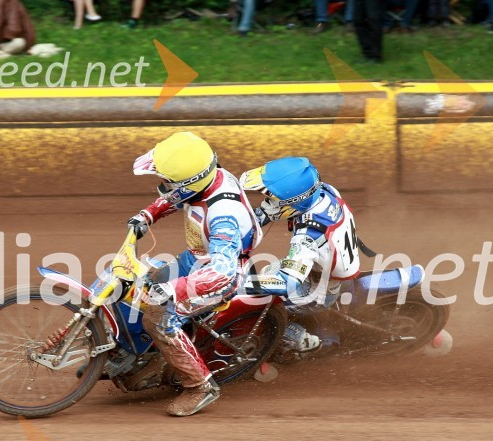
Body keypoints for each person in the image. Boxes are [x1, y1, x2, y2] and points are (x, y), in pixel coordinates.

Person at [128, 132, 261, 416]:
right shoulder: (208, 176)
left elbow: (222, 273)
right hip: (196, 259)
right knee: (140, 283)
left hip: (218, 275)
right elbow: (179, 193)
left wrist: (174, 290)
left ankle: (201, 386)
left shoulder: (223, 214)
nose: (163, 185)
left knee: (158, 317)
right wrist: (148, 215)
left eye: (166, 180)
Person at [240, 157, 363, 355]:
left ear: (294, 202)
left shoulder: (308, 237)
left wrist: (239, 284)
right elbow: (271, 211)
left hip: (316, 292)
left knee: (254, 302)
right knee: (264, 275)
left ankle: (305, 341)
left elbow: (288, 282)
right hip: (328, 268)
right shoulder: (324, 191)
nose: (268, 201)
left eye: (272, 198)